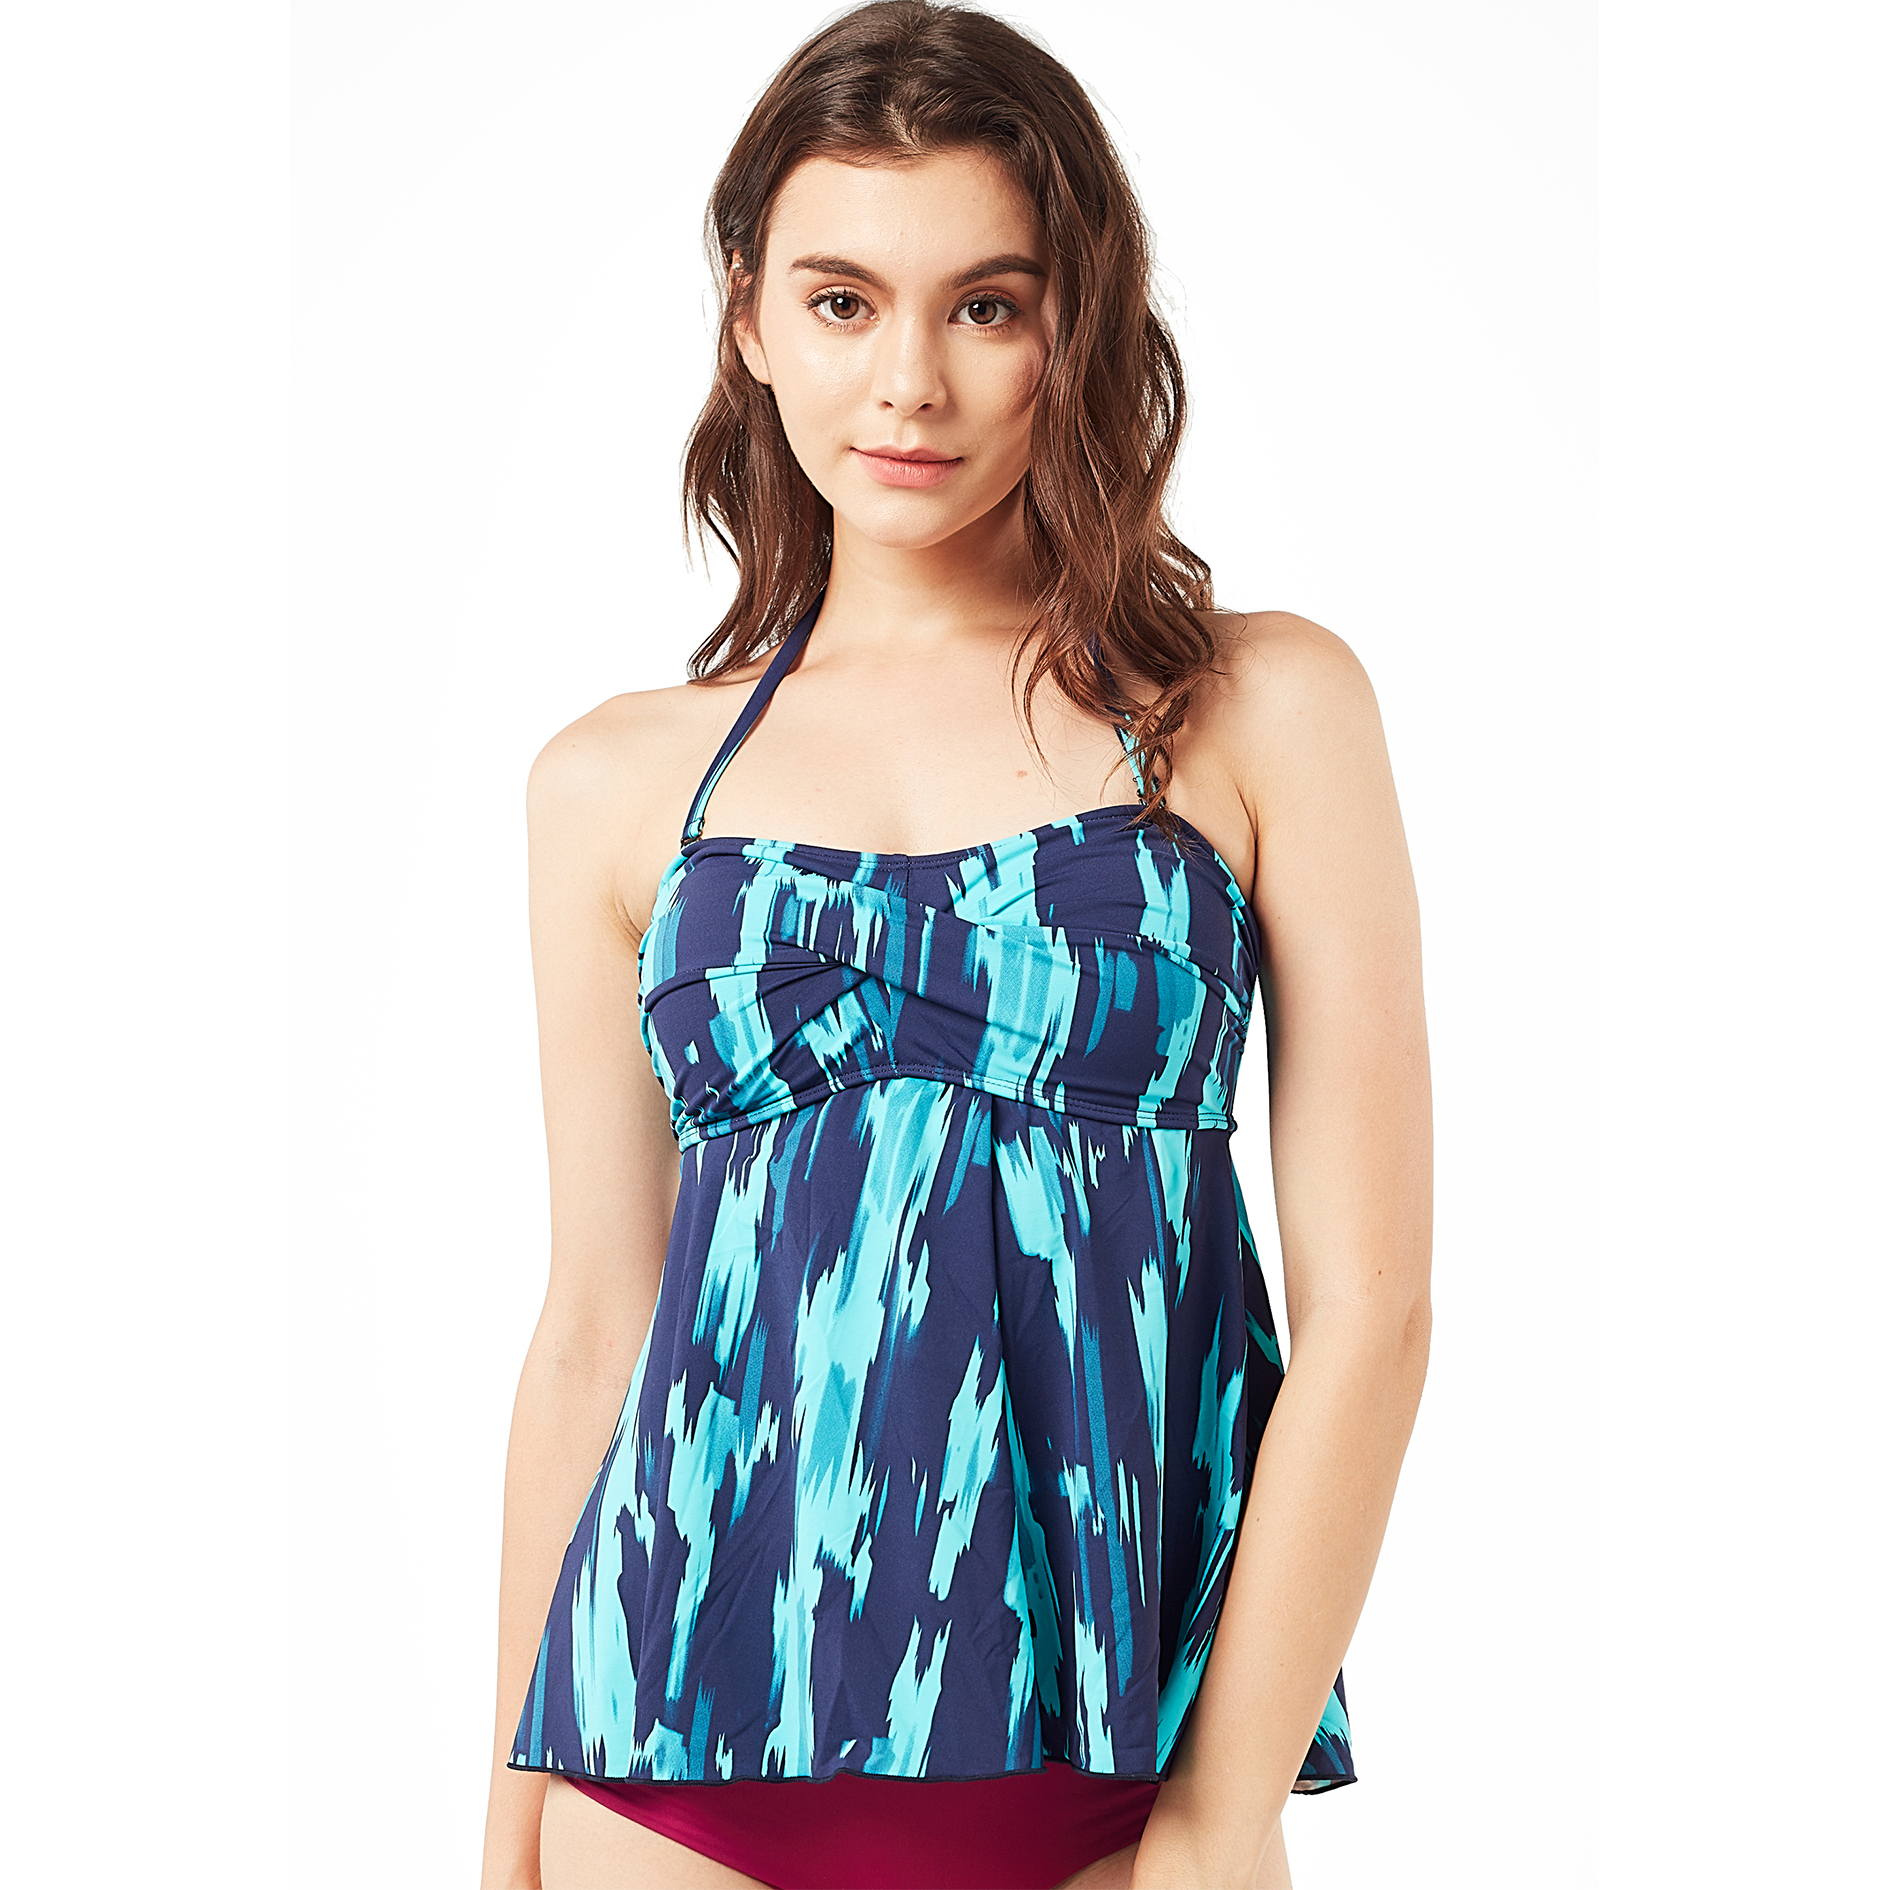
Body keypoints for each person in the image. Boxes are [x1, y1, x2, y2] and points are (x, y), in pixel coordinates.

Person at [478, 4, 1432, 1886]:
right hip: (665, 1764)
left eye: (986, 305)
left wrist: (1215, 1822)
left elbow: (1374, 1310)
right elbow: (595, 1324)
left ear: (1078, 326)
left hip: (1119, 1765)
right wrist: (500, 1842)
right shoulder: (614, 783)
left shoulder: (1256, 709)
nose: (906, 382)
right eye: (841, 301)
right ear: (749, 320)